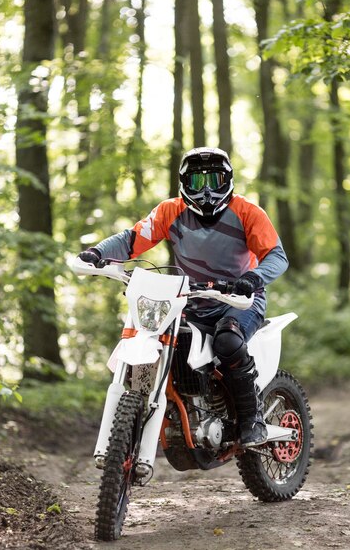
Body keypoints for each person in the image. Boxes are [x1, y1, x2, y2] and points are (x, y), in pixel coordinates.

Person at [78, 147, 288, 447]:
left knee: (227, 340)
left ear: (227, 180)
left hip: (240, 300)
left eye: (213, 180)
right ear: (183, 183)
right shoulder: (170, 211)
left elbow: (276, 257)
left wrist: (252, 279)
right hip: (190, 298)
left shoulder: (247, 213)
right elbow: (132, 239)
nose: (205, 191)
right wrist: (98, 252)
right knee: (159, 338)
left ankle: (251, 418)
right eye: (197, 182)